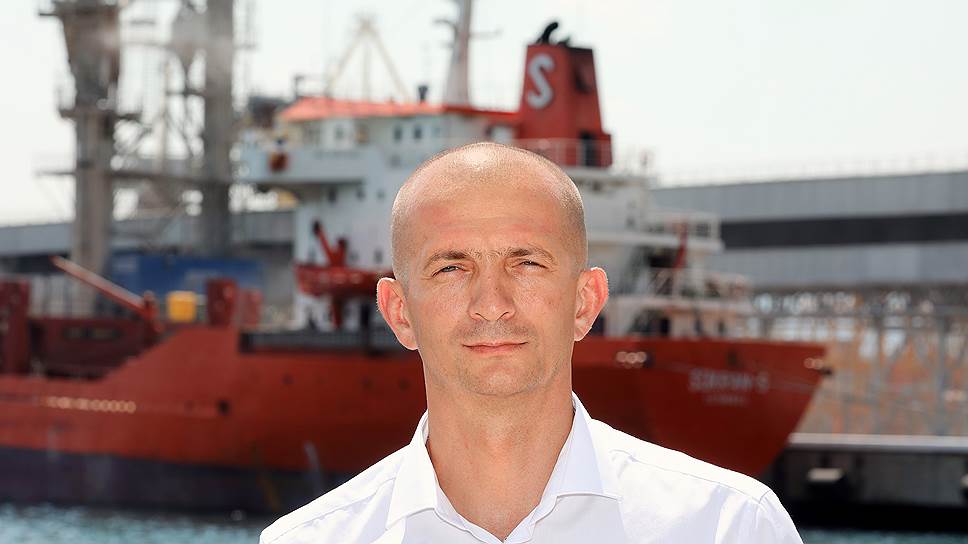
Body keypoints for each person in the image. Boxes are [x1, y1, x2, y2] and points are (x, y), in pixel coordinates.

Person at [261, 142, 803, 543]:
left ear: (585, 302)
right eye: (451, 268)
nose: (492, 304)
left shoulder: (731, 528)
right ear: (399, 312)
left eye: (526, 263)